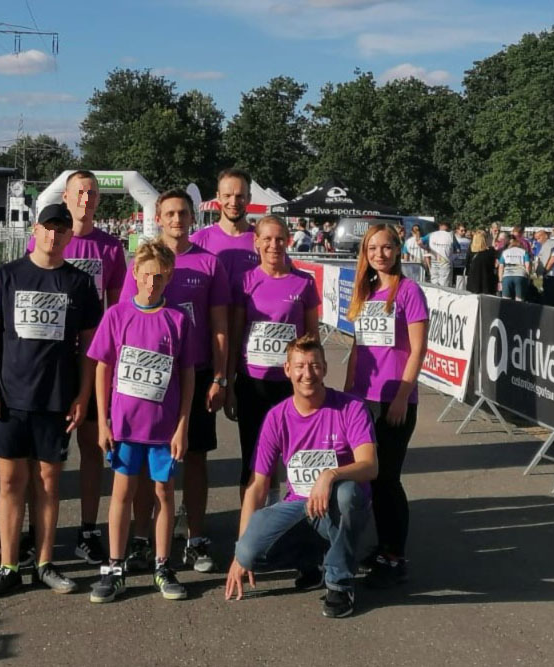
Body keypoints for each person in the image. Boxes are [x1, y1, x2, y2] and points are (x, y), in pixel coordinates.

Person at [0, 203, 102, 599]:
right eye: (48, 228)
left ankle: (45, 562)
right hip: (11, 398)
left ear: (69, 236)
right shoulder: (8, 274)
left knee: (48, 482)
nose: (54, 235)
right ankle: (8, 564)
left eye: (62, 230)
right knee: (12, 481)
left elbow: (90, 349)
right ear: (36, 229)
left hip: (56, 399)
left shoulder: (79, 284)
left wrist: (83, 396)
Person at [225, 335, 378, 618]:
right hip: (300, 506)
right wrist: (239, 553)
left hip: (339, 506)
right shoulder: (276, 417)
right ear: (287, 370)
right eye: (299, 366)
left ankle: (340, 582)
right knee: (249, 551)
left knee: (346, 494)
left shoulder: (351, 408)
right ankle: (314, 561)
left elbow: (370, 465)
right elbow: (257, 486)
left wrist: (330, 475)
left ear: (325, 368)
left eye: (314, 365)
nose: (307, 374)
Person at [120, 190, 230, 574]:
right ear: (158, 216)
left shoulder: (209, 263)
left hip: (194, 373)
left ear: (192, 216)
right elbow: (124, 319)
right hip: (148, 376)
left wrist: (220, 376)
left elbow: (219, 325)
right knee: (147, 463)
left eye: (183, 212)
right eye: (170, 213)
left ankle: (195, 537)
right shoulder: (142, 261)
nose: (177, 219)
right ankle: (141, 537)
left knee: (194, 456)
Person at [23, 170, 126, 567]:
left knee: (90, 448)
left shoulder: (111, 247)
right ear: (65, 197)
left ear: (98, 201)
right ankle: (36, 533)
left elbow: (114, 310)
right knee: (41, 455)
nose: (86, 198)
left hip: (91, 358)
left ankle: (86, 529)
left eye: (92, 193)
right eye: (79, 192)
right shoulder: (45, 236)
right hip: (48, 360)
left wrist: (110, 359)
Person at [86, 241, 195, 603]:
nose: (152, 283)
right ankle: (115, 566)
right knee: (122, 494)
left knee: (164, 494)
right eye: (146, 276)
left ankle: (163, 565)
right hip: (124, 429)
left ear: (169, 278)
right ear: (135, 274)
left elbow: (188, 374)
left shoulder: (178, 320)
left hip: (163, 430)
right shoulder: (116, 315)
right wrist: (102, 421)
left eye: (159, 277)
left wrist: (182, 425)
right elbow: (102, 368)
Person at [344, 223, 428, 589]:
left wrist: (401, 397)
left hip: (394, 400)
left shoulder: (409, 292)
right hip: (363, 398)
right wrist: (347, 395)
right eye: (372, 248)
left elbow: (418, 348)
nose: (380, 254)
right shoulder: (365, 291)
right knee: (371, 478)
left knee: (388, 479)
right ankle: (383, 547)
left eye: (387, 248)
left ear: (398, 250)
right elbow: (357, 348)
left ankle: (396, 556)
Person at [226, 215, 320, 497]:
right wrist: (229, 385)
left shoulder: (304, 283)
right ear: (256, 242)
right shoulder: (245, 282)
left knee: (295, 458)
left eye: (280, 239)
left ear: (288, 241)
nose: (274, 245)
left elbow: (312, 339)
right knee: (253, 461)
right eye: (267, 239)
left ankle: (287, 520)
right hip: (252, 384)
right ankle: (249, 529)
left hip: (292, 386)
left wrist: (315, 384)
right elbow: (235, 335)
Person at [422, 221, 456, 287]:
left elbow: (419, 242)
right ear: (448, 227)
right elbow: (457, 249)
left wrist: (427, 249)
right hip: (445, 261)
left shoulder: (431, 234)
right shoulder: (450, 235)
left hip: (434, 260)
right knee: (444, 284)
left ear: (440, 226)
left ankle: (435, 296)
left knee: (434, 282)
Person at [498, 236, 532, 301]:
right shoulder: (524, 252)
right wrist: (528, 278)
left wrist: (500, 280)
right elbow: (527, 266)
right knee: (519, 300)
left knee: (506, 300)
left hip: (507, 276)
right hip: (520, 275)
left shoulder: (505, 252)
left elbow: (501, 267)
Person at [465, 230, 498, 295]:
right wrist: (494, 239)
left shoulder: (470, 253)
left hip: (472, 283)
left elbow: (467, 265)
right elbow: (493, 265)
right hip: (487, 283)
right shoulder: (490, 252)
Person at [452, 224, 469, 289]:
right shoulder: (453, 239)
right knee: (453, 282)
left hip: (463, 265)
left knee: (460, 283)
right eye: (462, 230)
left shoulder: (468, 240)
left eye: (465, 230)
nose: (464, 232)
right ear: (457, 230)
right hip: (454, 264)